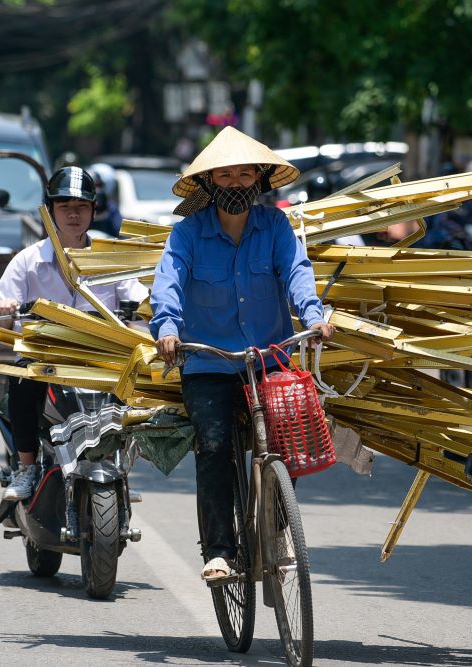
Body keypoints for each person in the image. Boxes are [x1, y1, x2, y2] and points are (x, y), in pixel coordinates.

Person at [149, 127, 335, 581]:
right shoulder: (187, 234)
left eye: (244, 173)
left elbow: (297, 272)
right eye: (225, 174)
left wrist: (313, 315)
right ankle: (219, 551)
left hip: (268, 359)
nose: (235, 182)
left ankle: (276, 526)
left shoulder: (274, 226)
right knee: (213, 447)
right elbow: (167, 284)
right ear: (210, 184)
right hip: (209, 364)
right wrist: (168, 328)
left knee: (288, 438)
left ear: (259, 180)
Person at [0, 166, 149, 501]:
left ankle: (118, 462)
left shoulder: (111, 258)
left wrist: (145, 312)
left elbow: (139, 302)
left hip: (100, 357)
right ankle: (27, 466)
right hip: (43, 356)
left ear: (94, 210)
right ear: (50, 212)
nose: (73, 214)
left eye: (81, 206)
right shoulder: (26, 261)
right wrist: (5, 311)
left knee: (139, 382)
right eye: (64, 206)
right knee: (20, 382)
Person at [87, 162, 123, 237]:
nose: (96, 189)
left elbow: (120, 232)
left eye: (99, 185)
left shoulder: (111, 208)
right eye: (92, 184)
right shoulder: (80, 204)